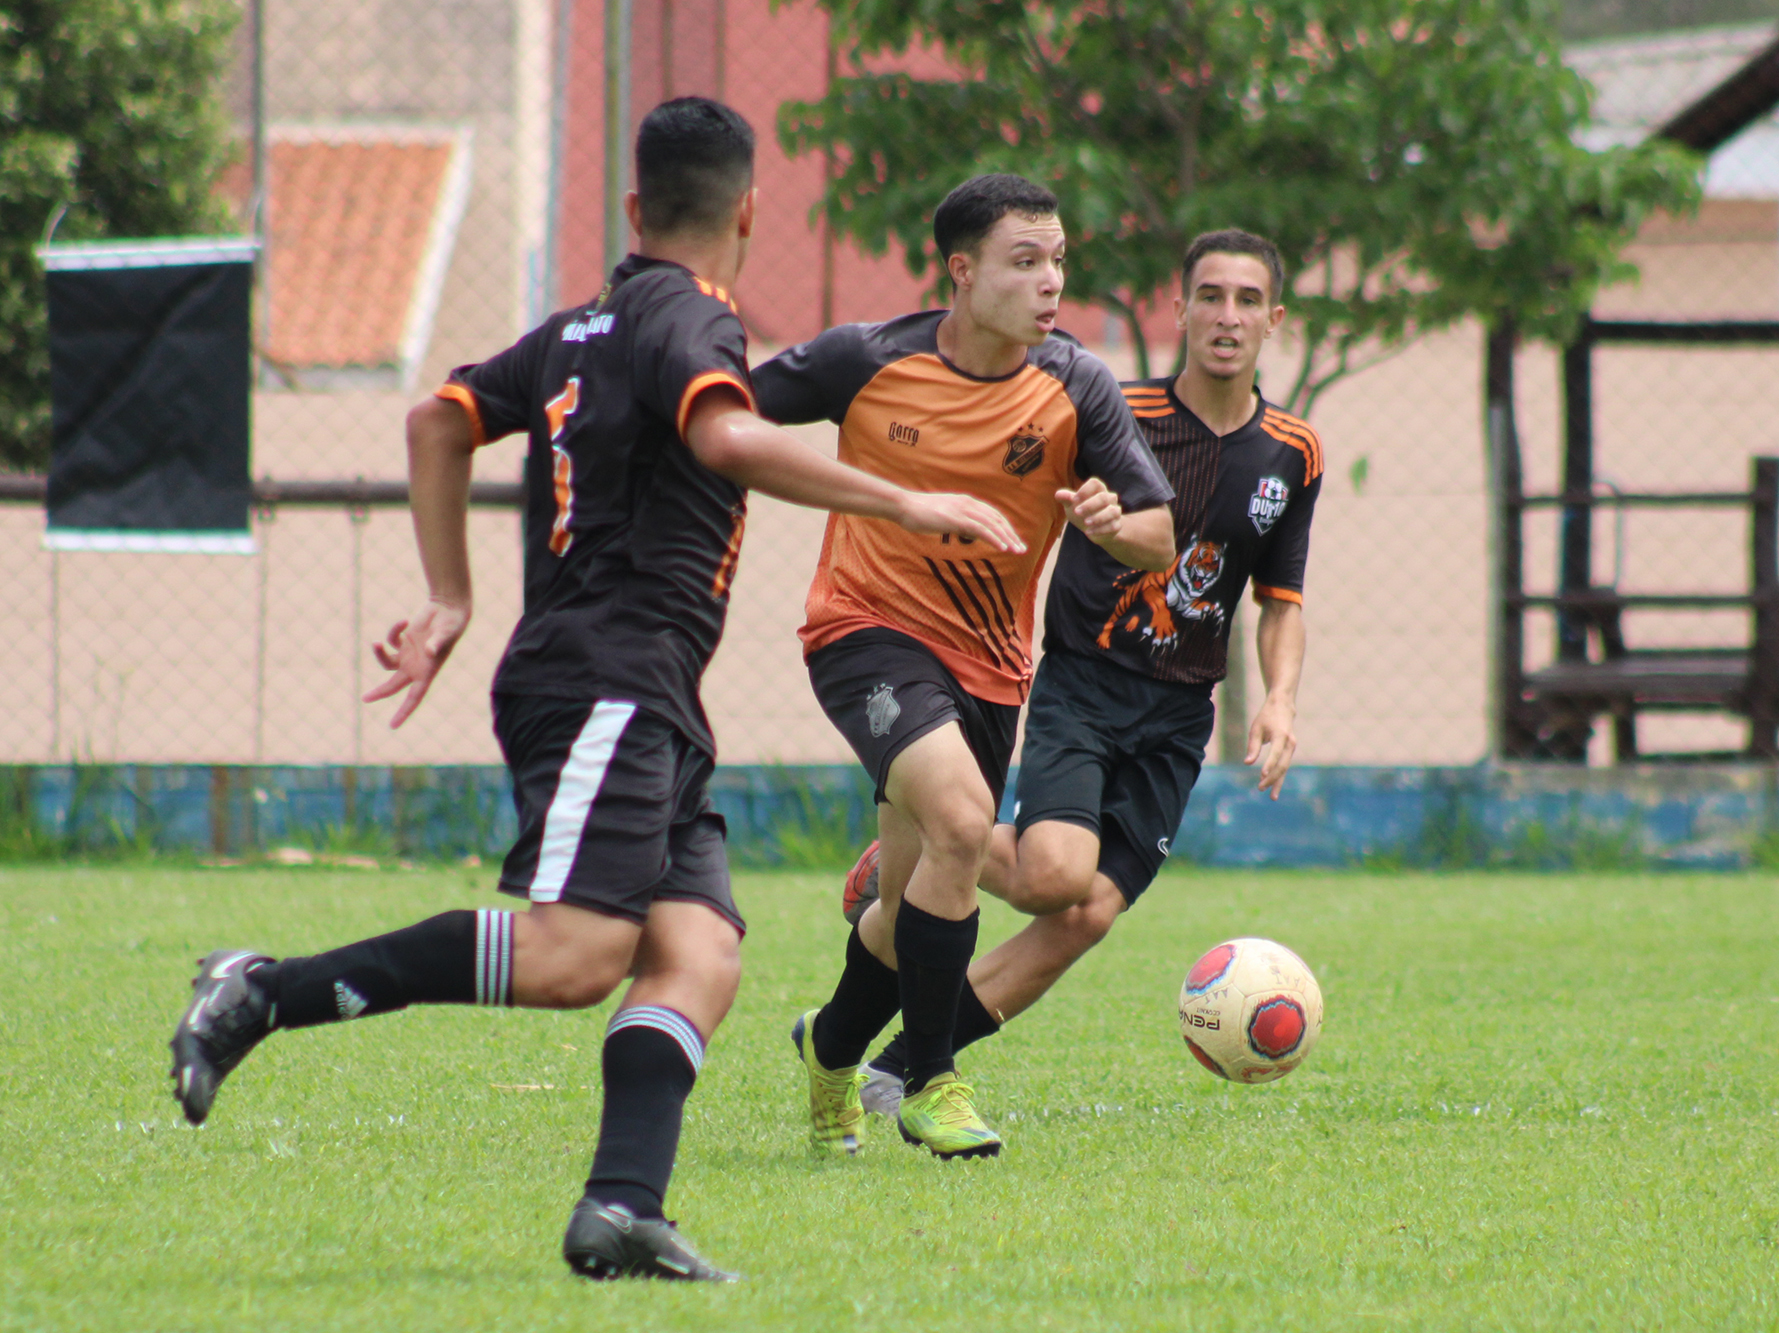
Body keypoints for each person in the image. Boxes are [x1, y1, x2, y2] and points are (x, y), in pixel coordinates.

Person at [166, 97, 1022, 1281]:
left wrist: (451, 595)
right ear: (750, 212)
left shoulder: (579, 325)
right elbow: (725, 440)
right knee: (575, 958)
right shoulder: (691, 320)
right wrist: (905, 498)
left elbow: (436, 420)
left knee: (698, 951)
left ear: (633, 209)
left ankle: (621, 1207)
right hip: (606, 678)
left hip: (643, 690)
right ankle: (263, 992)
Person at [843, 229, 1321, 1115]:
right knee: (1057, 874)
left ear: (1273, 319)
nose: (1227, 316)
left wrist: (1281, 701)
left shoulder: (1293, 451)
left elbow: (1280, 597)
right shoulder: (1107, 407)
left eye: (1247, 300)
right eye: (1209, 296)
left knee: (1088, 912)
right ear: (1177, 310)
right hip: (1084, 682)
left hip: (1181, 714)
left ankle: (902, 1062)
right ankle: (919, 844)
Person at [750, 174, 1175, 1160]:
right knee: (960, 820)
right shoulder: (865, 359)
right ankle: (930, 1078)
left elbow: (1159, 533)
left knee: (904, 920)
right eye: (1023, 262)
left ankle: (831, 1044)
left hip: (988, 671)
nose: (1049, 282)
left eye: (1058, 260)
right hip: (863, 632)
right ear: (961, 271)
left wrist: (1118, 526)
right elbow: (722, 409)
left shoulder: (1075, 384)